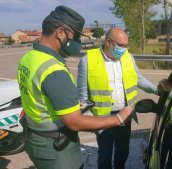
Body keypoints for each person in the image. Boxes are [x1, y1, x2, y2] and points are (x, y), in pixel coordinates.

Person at [17, 6, 133, 169]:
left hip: (36, 139)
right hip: (57, 149)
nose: (77, 42)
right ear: (59, 32)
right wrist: (119, 119)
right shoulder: (54, 70)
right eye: (76, 36)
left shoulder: (29, 57)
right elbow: (75, 122)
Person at [77, 27, 158, 169]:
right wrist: (92, 123)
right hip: (103, 118)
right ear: (108, 42)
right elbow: (82, 98)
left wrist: (157, 90)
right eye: (121, 45)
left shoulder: (128, 57)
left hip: (125, 114)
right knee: (105, 155)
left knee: (123, 151)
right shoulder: (87, 60)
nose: (124, 49)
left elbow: (139, 79)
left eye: (126, 46)